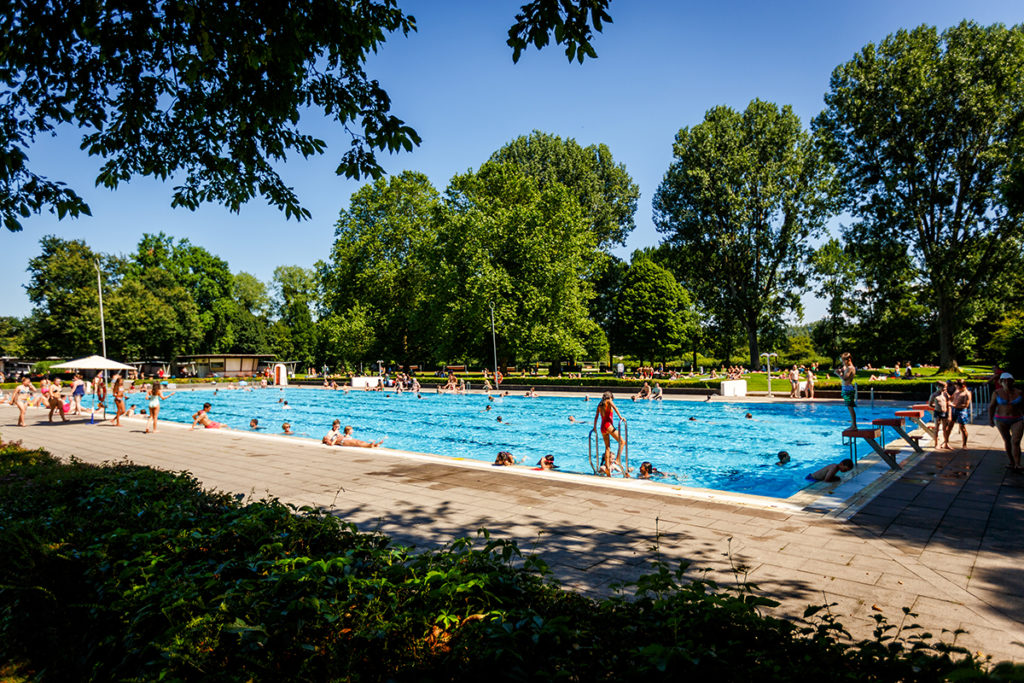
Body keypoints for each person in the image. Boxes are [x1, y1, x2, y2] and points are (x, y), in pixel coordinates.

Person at [989, 372, 1023, 472]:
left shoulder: (1019, 392)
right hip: (1001, 419)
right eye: (1004, 380)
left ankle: (1018, 463)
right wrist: (990, 420)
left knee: (1015, 441)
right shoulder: (996, 393)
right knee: (1007, 441)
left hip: (1017, 419)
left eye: (1009, 380)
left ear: (1013, 381)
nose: (1007, 382)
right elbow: (992, 406)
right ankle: (1012, 462)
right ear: (1001, 382)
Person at [593, 392, 627, 477]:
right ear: (610, 397)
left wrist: (594, 427)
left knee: (607, 447)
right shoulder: (609, 401)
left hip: (602, 427)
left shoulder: (600, 405)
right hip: (608, 426)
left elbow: (596, 417)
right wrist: (621, 417)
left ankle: (607, 467)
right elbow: (615, 408)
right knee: (622, 442)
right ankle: (617, 460)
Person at [949, 379, 972, 449]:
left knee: (962, 428)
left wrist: (954, 405)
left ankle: (964, 444)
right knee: (949, 426)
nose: (956, 388)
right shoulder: (957, 391)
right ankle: (946, 442)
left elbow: (966, 405)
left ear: (963, 386)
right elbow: (951, 398)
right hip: (954, 410)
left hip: (962, 411)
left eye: (958, 387)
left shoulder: (967, 393)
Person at [927, 381, 950, 449]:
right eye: (943, 387)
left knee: (945, 429)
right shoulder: (934, 395)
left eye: (945, 387)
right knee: (937, 428)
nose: (945, 389)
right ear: (938, 387)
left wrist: (949, 413)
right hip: (937, 413)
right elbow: (930, 404)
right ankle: (936, 444)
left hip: (945, 412)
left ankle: (946, 443)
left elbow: (948, 403)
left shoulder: (945, 394)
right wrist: (936, 407)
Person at [839, 352, 857, 428]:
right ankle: (853, 425)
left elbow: (845, 378)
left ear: (849, 359)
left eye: (844, 361)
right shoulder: (849, 367)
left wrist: (838, 373)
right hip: (847, 388)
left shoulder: (850, 368)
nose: (843, 363)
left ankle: (854, 425)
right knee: (849, 407)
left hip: (848, 388)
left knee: (850, 407)